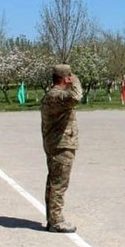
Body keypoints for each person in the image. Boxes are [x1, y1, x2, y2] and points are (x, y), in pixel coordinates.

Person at [41, 64, 83, 233]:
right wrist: (77, 81)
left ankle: (53, 218)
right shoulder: (56, 95)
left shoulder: (54, 95)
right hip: (60, 144)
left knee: (54, 182)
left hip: (58, 143)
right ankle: (56, 220)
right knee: (59, 183)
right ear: (66, 78)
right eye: (70, 76)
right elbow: (76, 97)